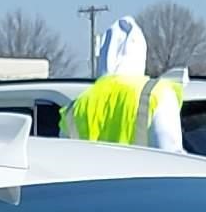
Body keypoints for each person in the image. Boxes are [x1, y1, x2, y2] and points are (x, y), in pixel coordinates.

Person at [64, 17, 185, 152]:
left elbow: (65, 162)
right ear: (141, 54)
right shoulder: (158, 94)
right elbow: (171, 157)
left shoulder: (75, 107)